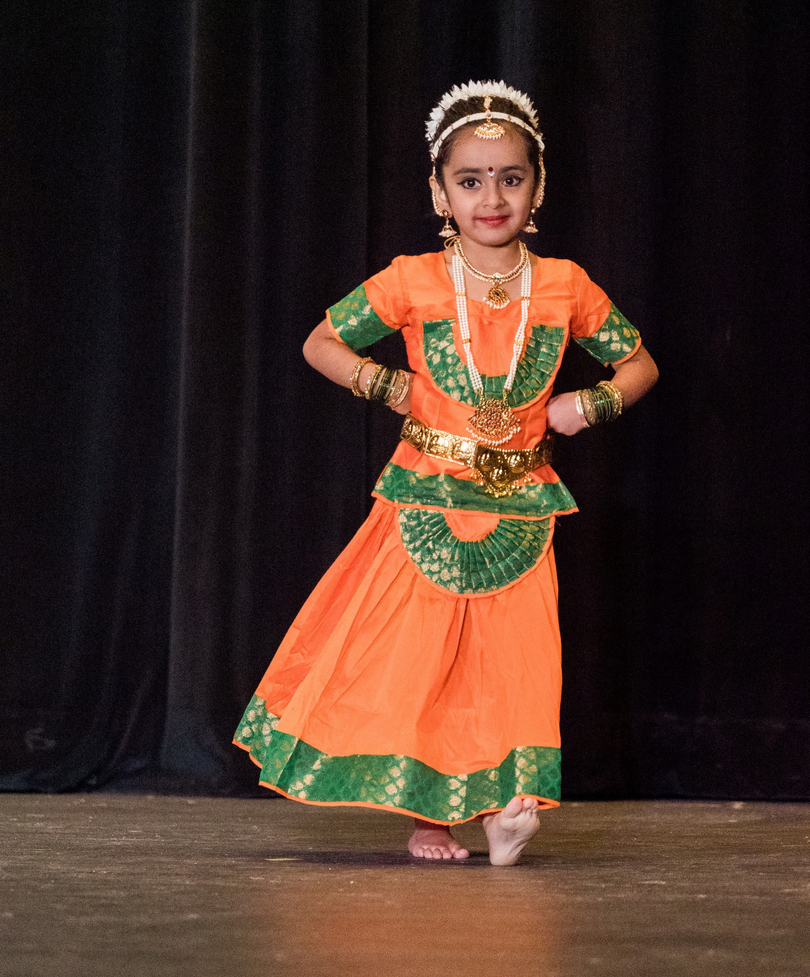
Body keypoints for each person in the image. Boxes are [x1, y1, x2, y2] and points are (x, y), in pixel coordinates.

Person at [233, 80, 658, 865]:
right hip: (425, 493)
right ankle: (431, 818)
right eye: (470, 180)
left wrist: (590, 404)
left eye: (510, 177)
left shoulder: (565, 284)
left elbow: (637, 365)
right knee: (417, 657)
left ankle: (507, 809)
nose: (491, 197)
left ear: (539, 186)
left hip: (523, 502)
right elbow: (321, 343)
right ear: (439, 191)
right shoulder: (413, 280)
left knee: (518, 660)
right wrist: (392, 387)